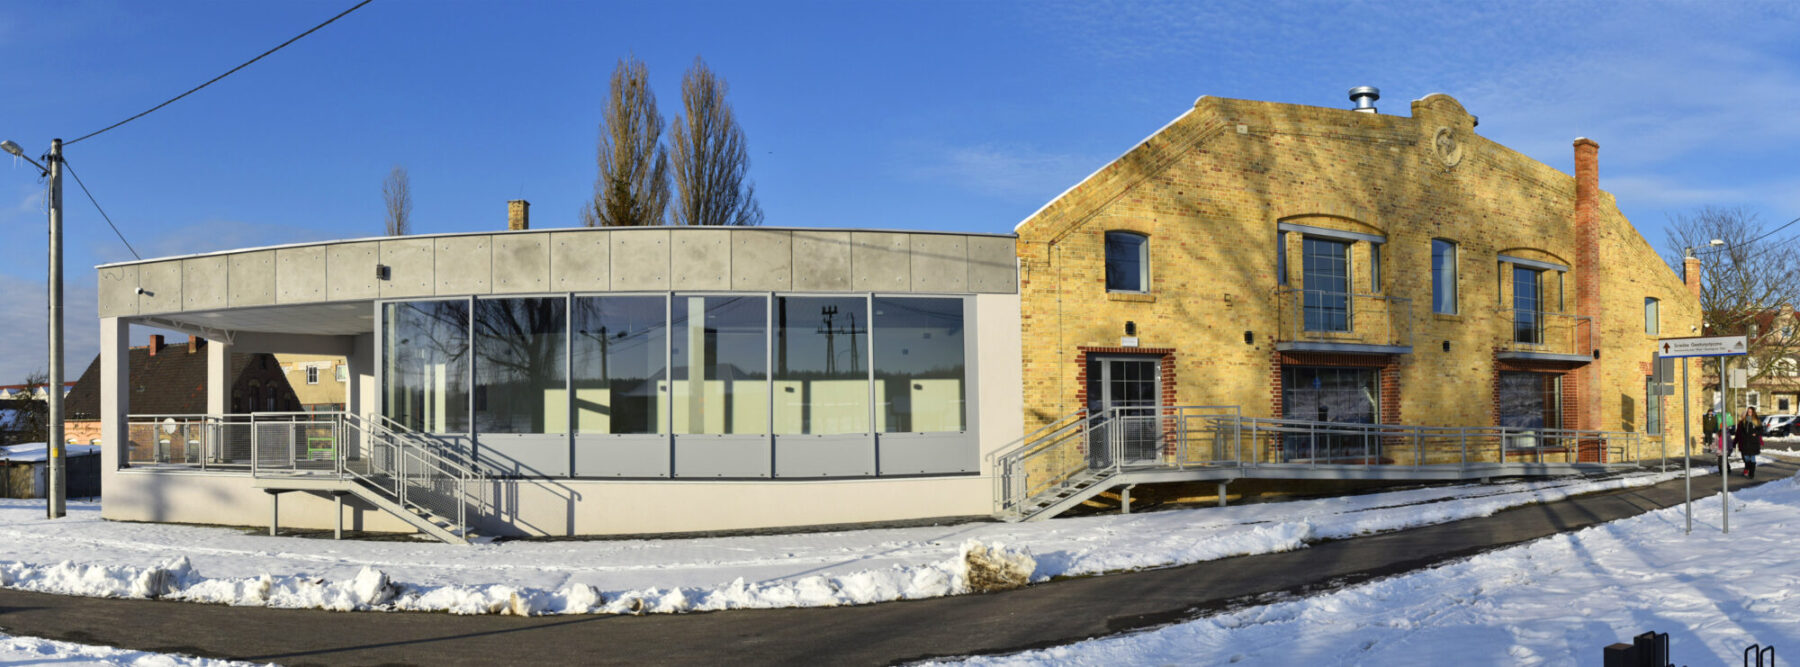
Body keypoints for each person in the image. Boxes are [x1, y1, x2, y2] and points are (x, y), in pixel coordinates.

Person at [1736, 407, 1763, 479]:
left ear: (1753, 412)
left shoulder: (1756, 420)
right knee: (1746, 458)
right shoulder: (1744, 421)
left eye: (1750, 412)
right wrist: (1741, 438)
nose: (1749, 413)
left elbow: (1761, 430)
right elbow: (1740, 432)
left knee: (1752, 459)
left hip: (1753, 443)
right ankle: (1748, 469)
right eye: (1748, 412)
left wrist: (1756, 433)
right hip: (1745, 443)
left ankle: (1751, 474)